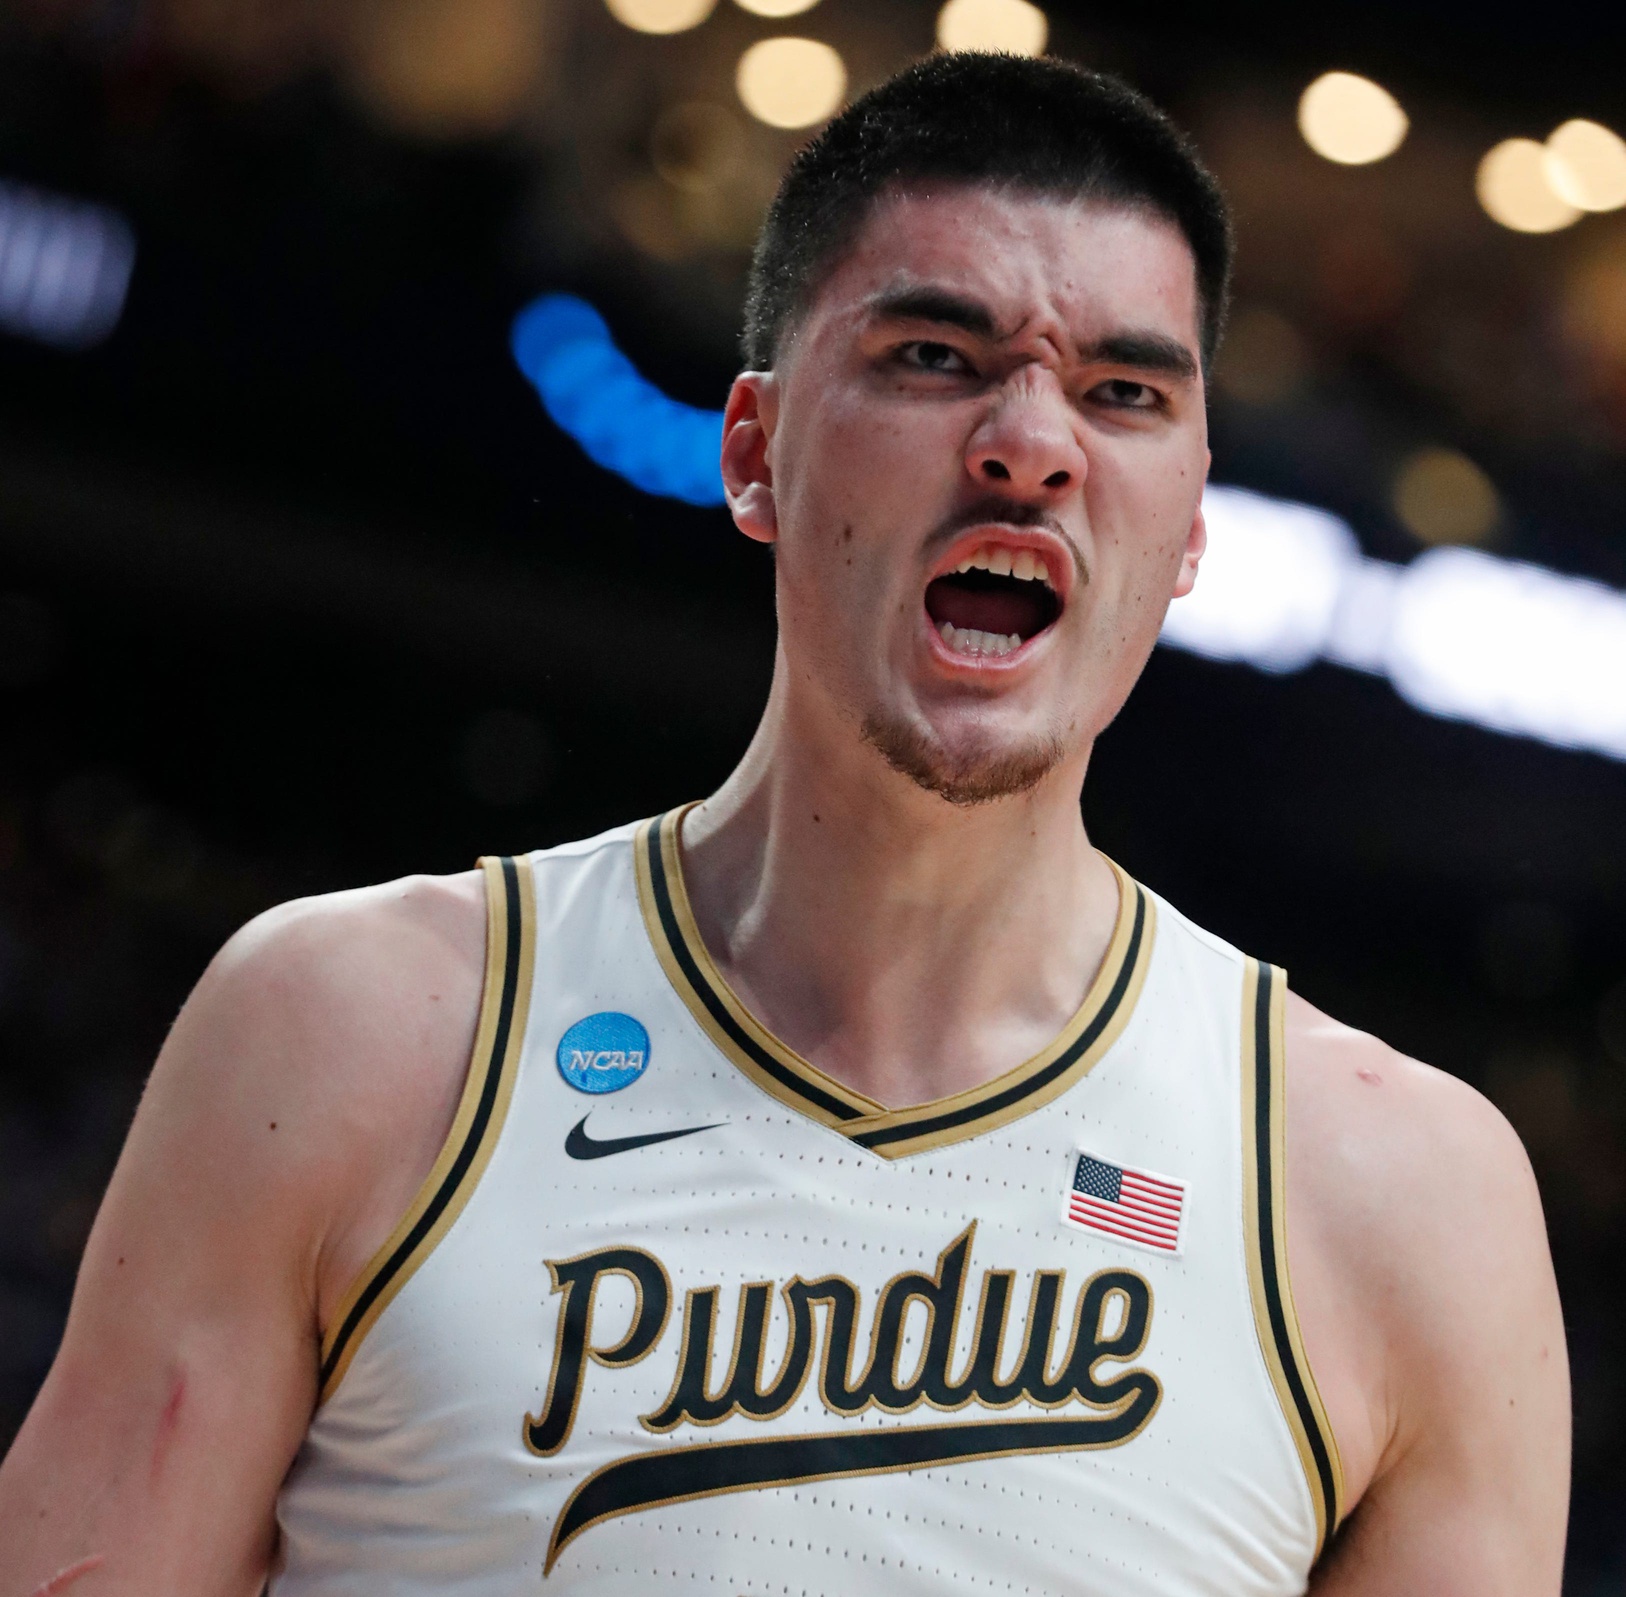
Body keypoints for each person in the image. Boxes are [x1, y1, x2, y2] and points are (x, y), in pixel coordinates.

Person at [0, 52, 1567, 1597]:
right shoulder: (345, 1033)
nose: (1031, 446)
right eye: (935, 359)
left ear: (1187, 532)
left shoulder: (1400, 1202)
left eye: (1123, 391)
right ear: (751, 451)